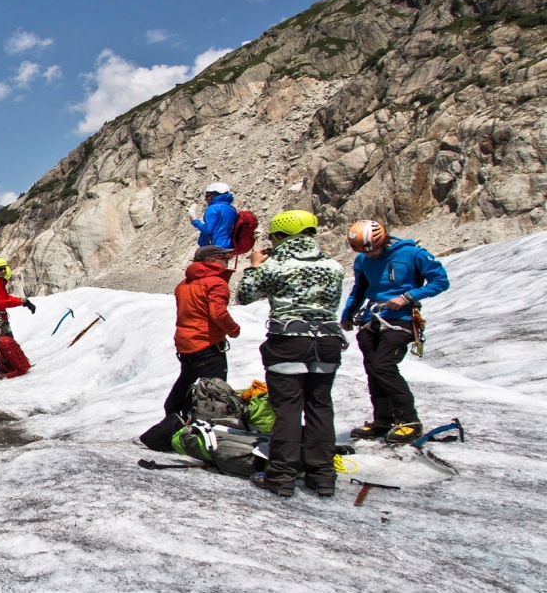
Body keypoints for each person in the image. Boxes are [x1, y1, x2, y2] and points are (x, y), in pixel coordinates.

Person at [234, 210, 346, 498]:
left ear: (281, 236)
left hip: (289, 339)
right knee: (320, 405)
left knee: (288, 409)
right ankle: (322, 475)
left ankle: (281, 475)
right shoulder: (333, 266)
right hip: (328, 340)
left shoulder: (275, 266)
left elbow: (245, 295)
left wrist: (256, 265)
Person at [339, 219, 451, 444]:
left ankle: (409, 421)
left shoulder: (413, 254)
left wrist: (407, 297)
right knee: (373, 369)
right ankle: (383, 420)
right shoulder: (362, 259)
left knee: (383, 366)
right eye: (362, 252)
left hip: (401, 319)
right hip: (373, 318)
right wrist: (347, 314)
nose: (368, 256)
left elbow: (440, 281)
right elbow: (359, 288)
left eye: (370, 251)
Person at [139, 245, 242, 452]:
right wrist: (234, 329)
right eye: (223, 257)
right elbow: (218, 314)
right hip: (207, 343)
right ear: (212, 260)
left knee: (186, 380)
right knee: (214, 391)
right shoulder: (216, 283)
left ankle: (172, 418)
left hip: (186, 343)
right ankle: (208, 436)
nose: (227, 261)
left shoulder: (184, 284)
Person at [190, 183, 238, 250]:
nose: (205, 199)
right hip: (228, 246)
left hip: (214, 248)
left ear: (213, 195)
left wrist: (195, 222)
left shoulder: (213, 208)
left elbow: (208, 229)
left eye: (207, 196)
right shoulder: (231, 209)